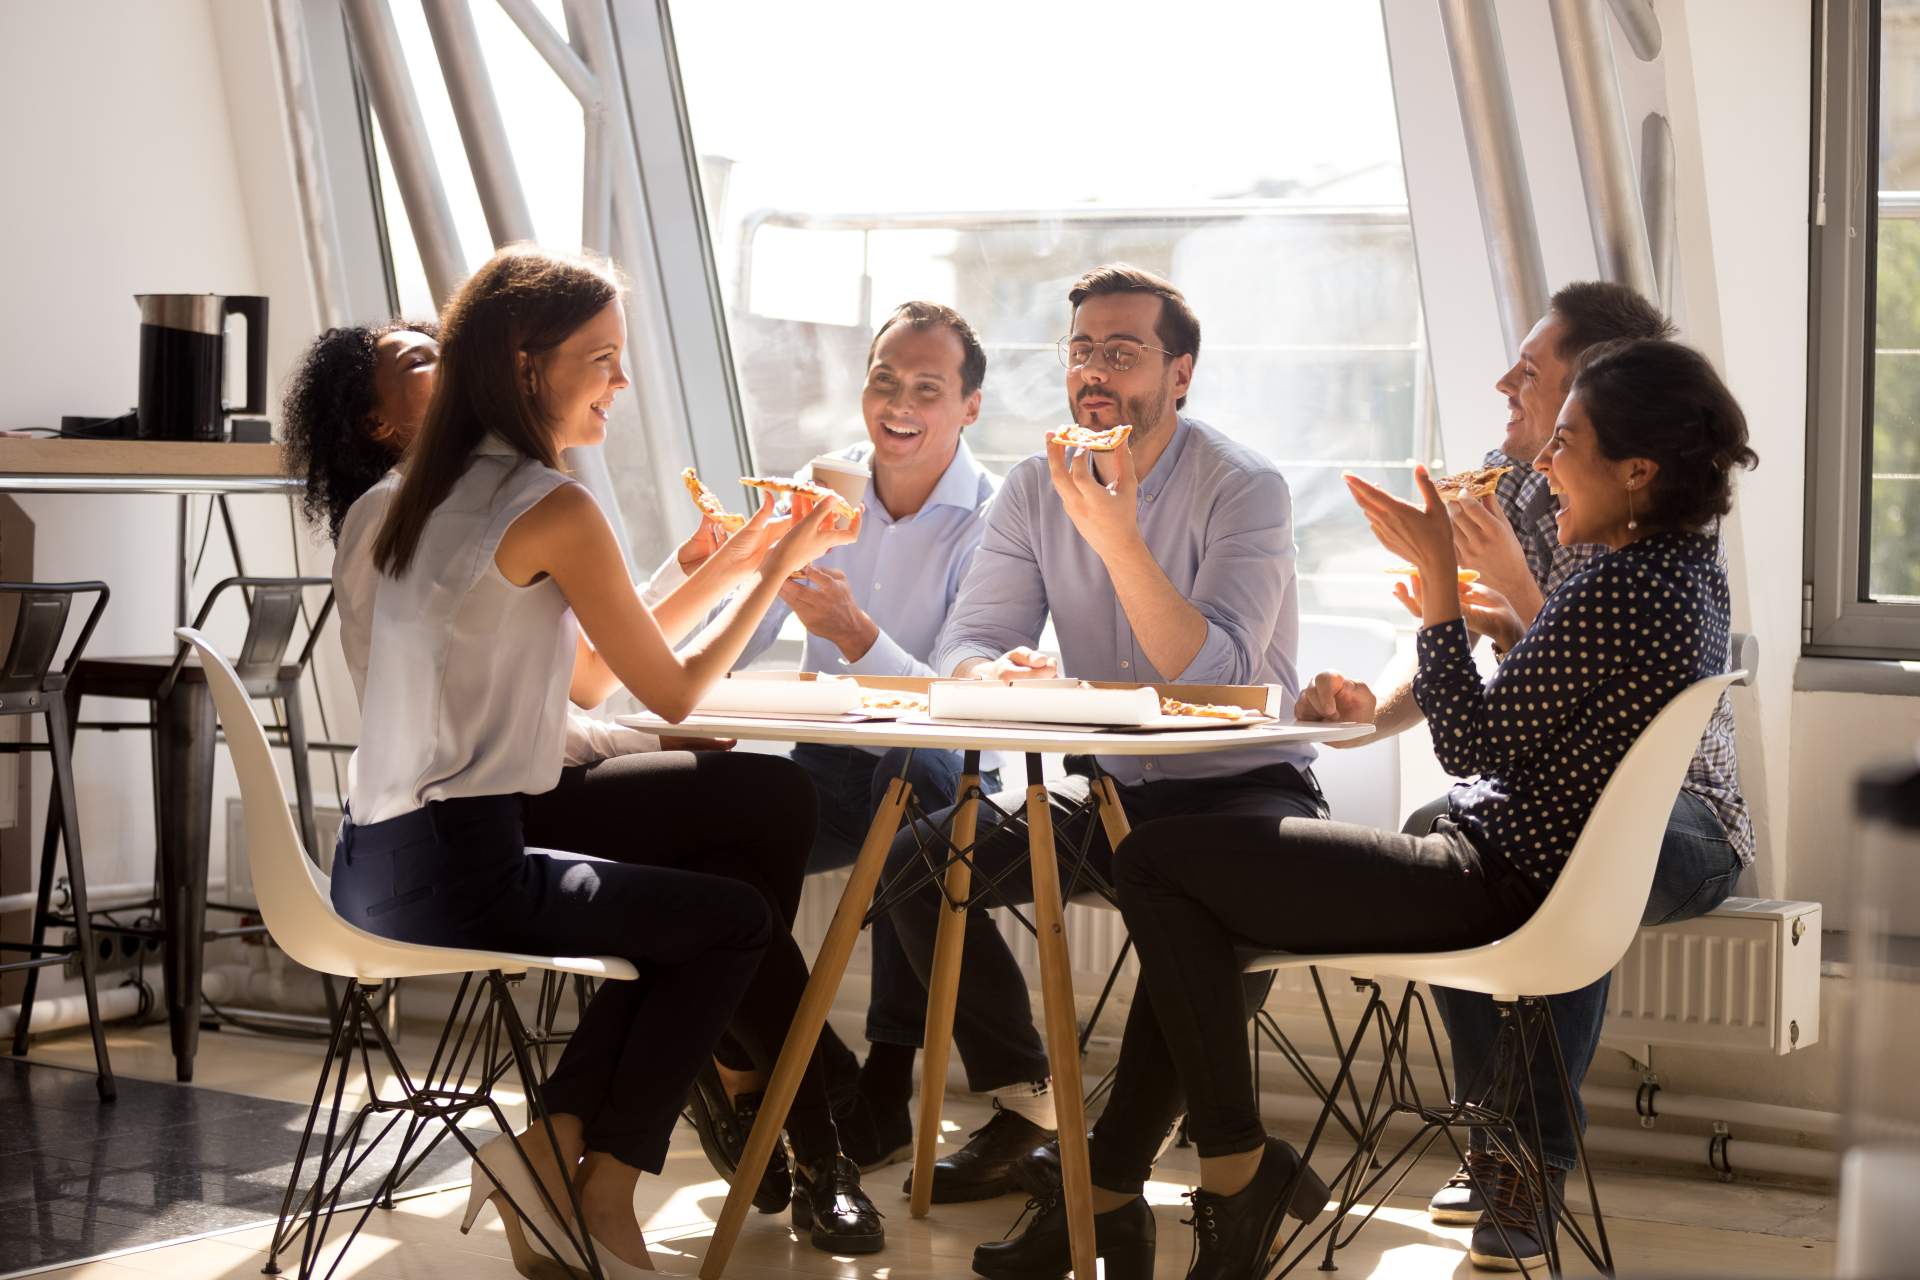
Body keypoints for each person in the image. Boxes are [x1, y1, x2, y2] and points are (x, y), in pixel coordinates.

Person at [1052, 338, 1757, 1280]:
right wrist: (1503, 626)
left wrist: (1436, 592)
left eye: (1567, 443)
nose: (1543, 465)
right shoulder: (1683, 577)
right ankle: (1181, 1176)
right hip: (1515, 874)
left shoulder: (1619, 586)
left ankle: (1230, 1171)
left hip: (1492, 885)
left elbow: (1469, 745)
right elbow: (1555, 714)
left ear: (1637, 470)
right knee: (1188, 884)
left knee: (1155, 862)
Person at [291, 311, 888, 1254]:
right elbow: (637, 696)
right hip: (479, 842)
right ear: (529, 370)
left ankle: (689, 1118)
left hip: (390, 850)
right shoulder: (511, 501)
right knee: (754, 858)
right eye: (601, 362)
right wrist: (774, 569)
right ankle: (726, 1136)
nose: (617, 383)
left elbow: (572, 683)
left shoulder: (405, 508)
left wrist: (730, 567)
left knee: (754, 832)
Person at [1296, 282, 1755, 1270]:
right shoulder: (1531, 492)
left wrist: (1503, 587)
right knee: (1451, 817)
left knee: (1567, 853)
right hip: (1561, 784)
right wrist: (1364, 715)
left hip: (1684, 811)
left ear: (1603, 396)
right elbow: (1502, 681)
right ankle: (1495, 1132)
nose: (1509, 388)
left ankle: (1525, 1156)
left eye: (1535, 374)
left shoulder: (1635, 536)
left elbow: (1568, 667)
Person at [875, 263, 1327, 1218]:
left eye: (1123, 353)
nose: (1094, 372)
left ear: (1181, 374)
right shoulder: (1039, 487)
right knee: (920, 870)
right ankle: (1031, 1109)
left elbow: (1215, 679)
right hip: (1115, 796)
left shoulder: (1245, 487)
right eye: (1082, 349)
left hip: (1245, 790)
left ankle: (1100, 1180)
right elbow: (970, 635)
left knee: (1186, 901)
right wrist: (986, 673)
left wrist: (1117, 535)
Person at [652, 300, 1000, 1172]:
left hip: (944, 766)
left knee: (911, 822)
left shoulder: (995, 519)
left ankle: (884, 1079)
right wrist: (714, 581)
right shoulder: (825, 487)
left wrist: (857, 638)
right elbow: (754, 629)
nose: (900, 402)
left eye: (928, 386)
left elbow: (964, 696)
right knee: (704, 843)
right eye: (885, 379)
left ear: (969, 408)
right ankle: (760, 1062)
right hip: (831, 759)